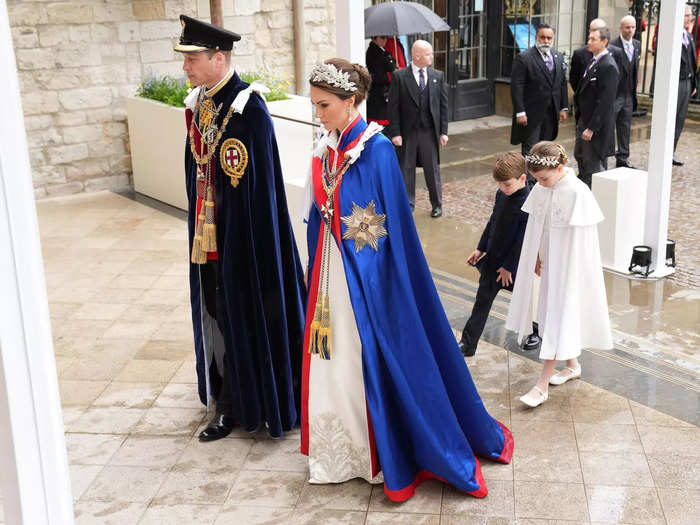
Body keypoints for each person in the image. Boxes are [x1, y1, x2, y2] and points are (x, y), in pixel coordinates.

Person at [301, 59, 513, 501]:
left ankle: (381, 449)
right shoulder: (326, 148)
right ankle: (342, 448)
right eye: (315, 105)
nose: (318, 114)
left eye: (324, 105)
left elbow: (387, 232)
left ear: (350, 101)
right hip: (330, 275)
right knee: (332, 358)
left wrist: (366, 275)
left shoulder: (375, 151)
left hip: (368, 282)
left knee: (363, 357)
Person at [175, 15, 306, 441]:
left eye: (192, 58)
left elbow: (260, 191)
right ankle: (225, 395)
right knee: (216, 314)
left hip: (244, 242)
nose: (185, 68)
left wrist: (237, 242)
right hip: (208, 237)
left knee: (239, 316)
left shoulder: (247, 109)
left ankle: (241, 403)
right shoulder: (201, 103)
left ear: (219, 57)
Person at [506, 142, 613, 408]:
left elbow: (584, 244)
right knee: (550, 315)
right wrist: (538, 256)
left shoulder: (578, 192)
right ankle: (572, 365)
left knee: (556, 318)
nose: (540, 184)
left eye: (543, 178)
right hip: (550, 266)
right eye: (536, 180)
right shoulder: (544, 188)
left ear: (560, 168)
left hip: (569, 270)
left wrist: (572, 272)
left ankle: (541, 385)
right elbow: (538, 228)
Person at [458, 152, 540, 357]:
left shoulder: (529, 202)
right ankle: (467, 344)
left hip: (514, 266)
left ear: (523, 178)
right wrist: (480, 248)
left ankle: (535, 331)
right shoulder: (501, 194)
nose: (503, 189)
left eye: (507, 184)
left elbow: (522, 240)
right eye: (500, 185)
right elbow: (492, 222)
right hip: (493, 261)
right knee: (481, 302)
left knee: (526, 301)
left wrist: (508, 267)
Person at [387, 40, 449, 218]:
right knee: (406, 169)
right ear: (416, 56)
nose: (432, 56)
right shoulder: (399, 76)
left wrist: (443, 131)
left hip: (429, 132)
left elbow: (443, 106)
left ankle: (437, 205)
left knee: (432, 170)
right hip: (407, 133)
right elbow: (393, 108)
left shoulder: (437, 75)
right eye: (428, 53)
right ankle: (408, 204)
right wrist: (395, 133)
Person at [510, 24, 569, 163]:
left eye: (549, 38)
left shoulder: (558, 57)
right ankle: (530, 182)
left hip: (551, 113)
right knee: (531, 150)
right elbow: (517, 86)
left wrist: (564, 107)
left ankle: (542, 179)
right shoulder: (524, 58)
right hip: (531, 114)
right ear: (536, 38)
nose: (546, 41)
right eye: (543, 37)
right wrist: (520, 112)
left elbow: (562, 83)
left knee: (546, 149)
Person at [573, 26, 619, 188]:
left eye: (593, 39)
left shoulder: (608, 66)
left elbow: (605, 102)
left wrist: (591, 128)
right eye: (589, 38)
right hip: (583, 120)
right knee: (580, 157)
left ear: (604, 42)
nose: (588, 42)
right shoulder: (593, 61)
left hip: (595, 127)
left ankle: (594, 198)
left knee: (593, 166)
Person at [610, 16, 641, 168]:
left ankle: (622, 159)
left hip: (629, 95)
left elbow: (635, 67)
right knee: (609, 126)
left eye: (633, 27)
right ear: (621, 28)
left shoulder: (637, 45)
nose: (630, 30)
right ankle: (603, 156)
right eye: (627, 27)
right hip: (615, 95)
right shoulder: (612, 46)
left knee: (625, 128)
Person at [673, 5, 698, 167]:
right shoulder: (673, 36)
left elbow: (692, 61)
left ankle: (672, 151)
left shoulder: (688, 36)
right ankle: (665, 150)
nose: (689, 19)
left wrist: (693, 83)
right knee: (672, 117)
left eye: (690, 16)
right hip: (676, 82)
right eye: (686, 15)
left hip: (687, 82)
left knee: (680, 119)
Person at [570, 18, 608, 94]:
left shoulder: (615, 53)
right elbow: (574, 80)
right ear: (589, 31)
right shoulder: (579, 54)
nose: (597, 32)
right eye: (594, 30)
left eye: (601, 30)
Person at [365, 35, 396, 127]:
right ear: (375, 38)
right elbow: (377, 76)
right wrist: (393, 75)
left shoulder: (382, 50)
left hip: (385, 91)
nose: (385, 40)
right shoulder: (373, 52)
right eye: (383, 37)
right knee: (380, 126)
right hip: (379, 93)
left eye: (386, 37)